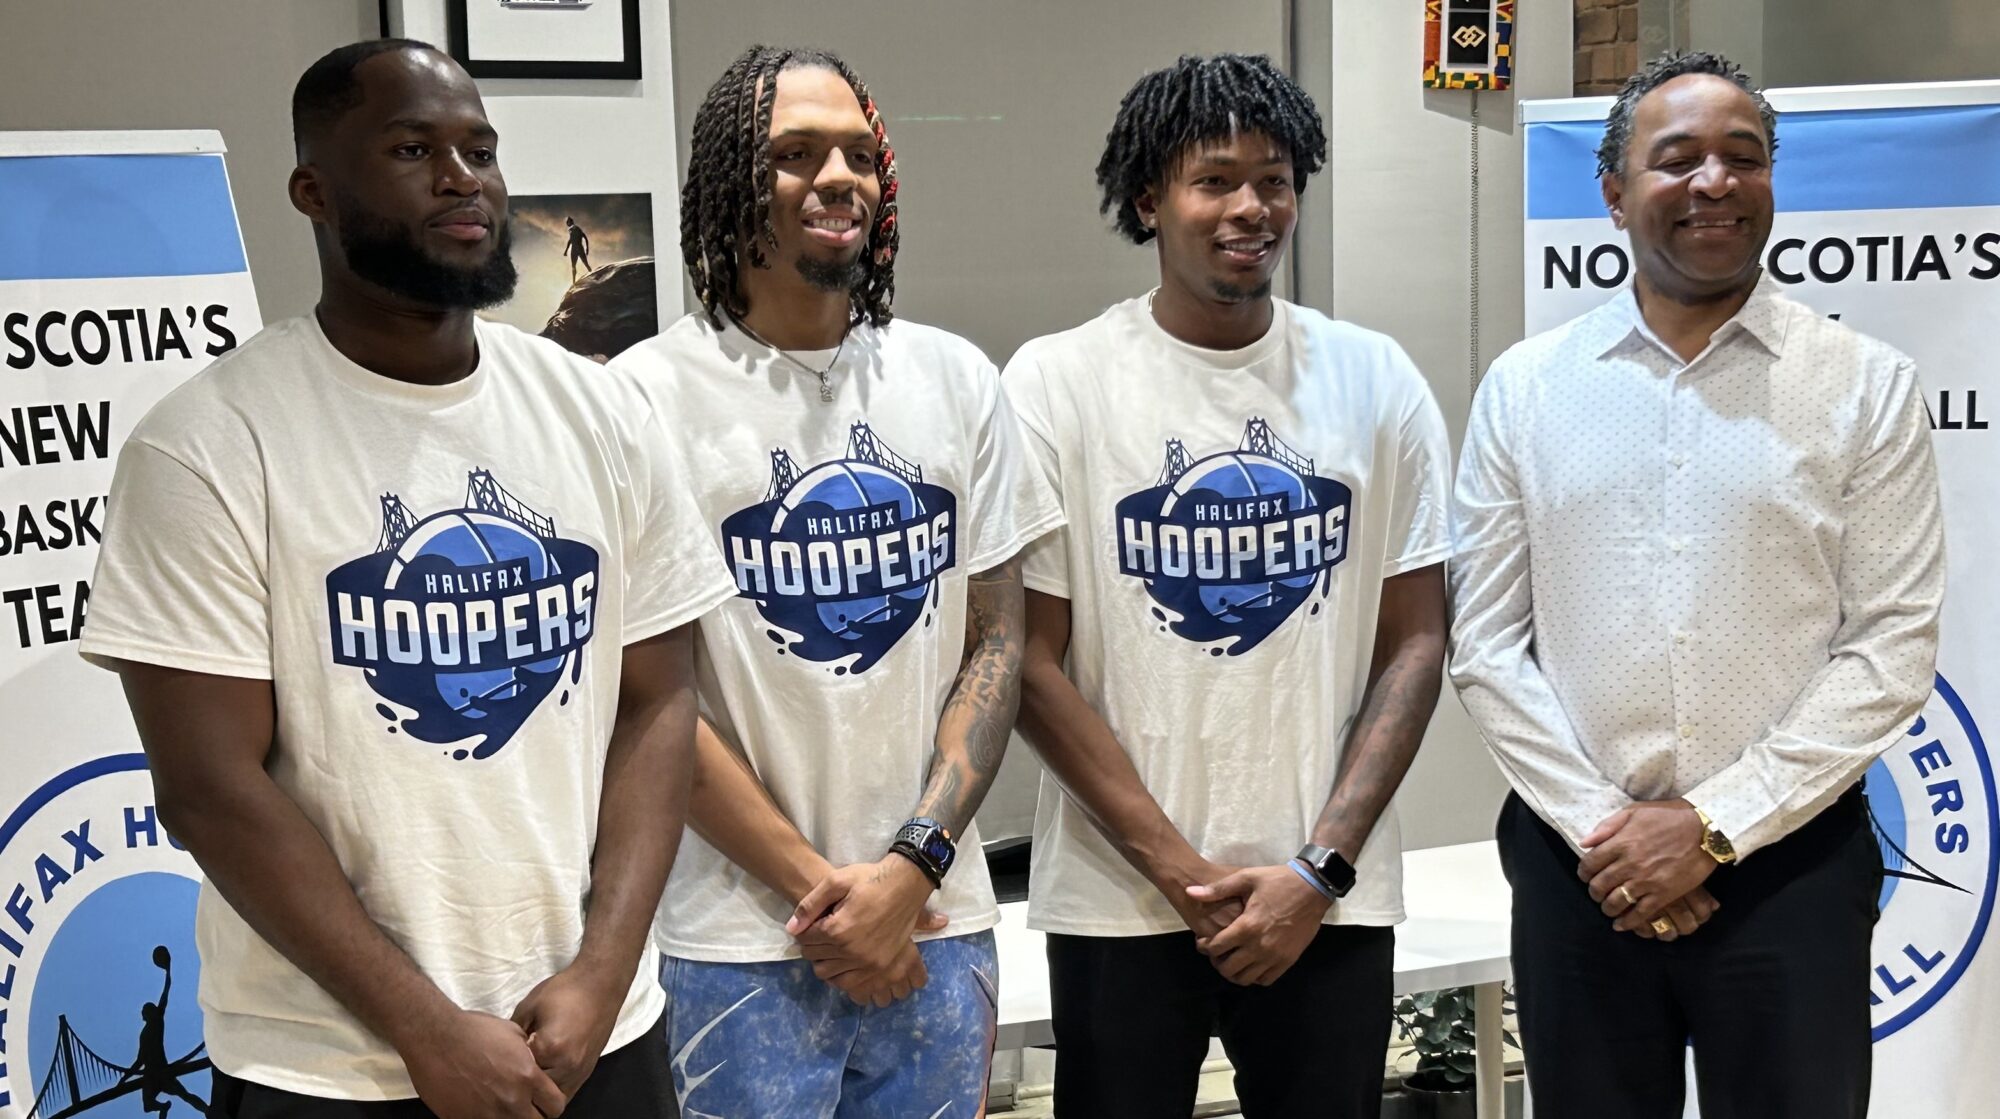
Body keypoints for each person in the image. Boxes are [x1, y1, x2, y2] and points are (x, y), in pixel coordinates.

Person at [80, 38, 732, 1118]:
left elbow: (658, 703)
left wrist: (603, 972)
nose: (461, 175)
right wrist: (425, 1028)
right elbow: (210, 789)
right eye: (411, 148)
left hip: (595, 1033)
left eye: (478, 147)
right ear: (313, 192)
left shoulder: (604, 412)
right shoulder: (206, 444)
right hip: (333, 1066)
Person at [1449, 51, 1943, 1119]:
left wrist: (1712, 825)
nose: (1712, 182)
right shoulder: (1526, 390)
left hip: (1789, 872)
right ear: (1614, 193)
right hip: (1578, 869)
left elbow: (1890, 642)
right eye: (1675, 160)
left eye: (1742, 158)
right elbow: (1484, 644)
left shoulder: (1863, 386)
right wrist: (1610, 840)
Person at [610, 44, 1062, 1117]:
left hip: (935, 927)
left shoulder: (953, 379)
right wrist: (829, 900)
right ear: (730, 181)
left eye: (859, 152)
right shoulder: (641, 401)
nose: (838, 177)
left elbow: (995, 641)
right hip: (736, 942)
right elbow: (649, 696)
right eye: (795, 154)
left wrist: (909, 869)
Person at [1004, 53, 1452, 1118]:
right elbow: (1025, 659)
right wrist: (1180, 875)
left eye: (1275, 178)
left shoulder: (1375, 379)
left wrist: (1317, 869)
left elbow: (1417, 641)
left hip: (1325, 906)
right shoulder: (1054, 383)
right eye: (1214, 179)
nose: (1250, 207)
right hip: (1123, 903)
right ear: (1147, 196)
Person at [562, 216, 591, 281]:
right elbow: (570, 240)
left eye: (568, 222)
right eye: (566, 222)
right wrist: (566, 250)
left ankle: (593, 274)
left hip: (579, 248)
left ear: (571, 222)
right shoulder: (570, 230)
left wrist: (587, 248)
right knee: (573, 266)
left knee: (585, 263)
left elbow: (584, 236)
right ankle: (574, 282)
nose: (567, 224)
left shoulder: (576, 228)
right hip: (574, 250)